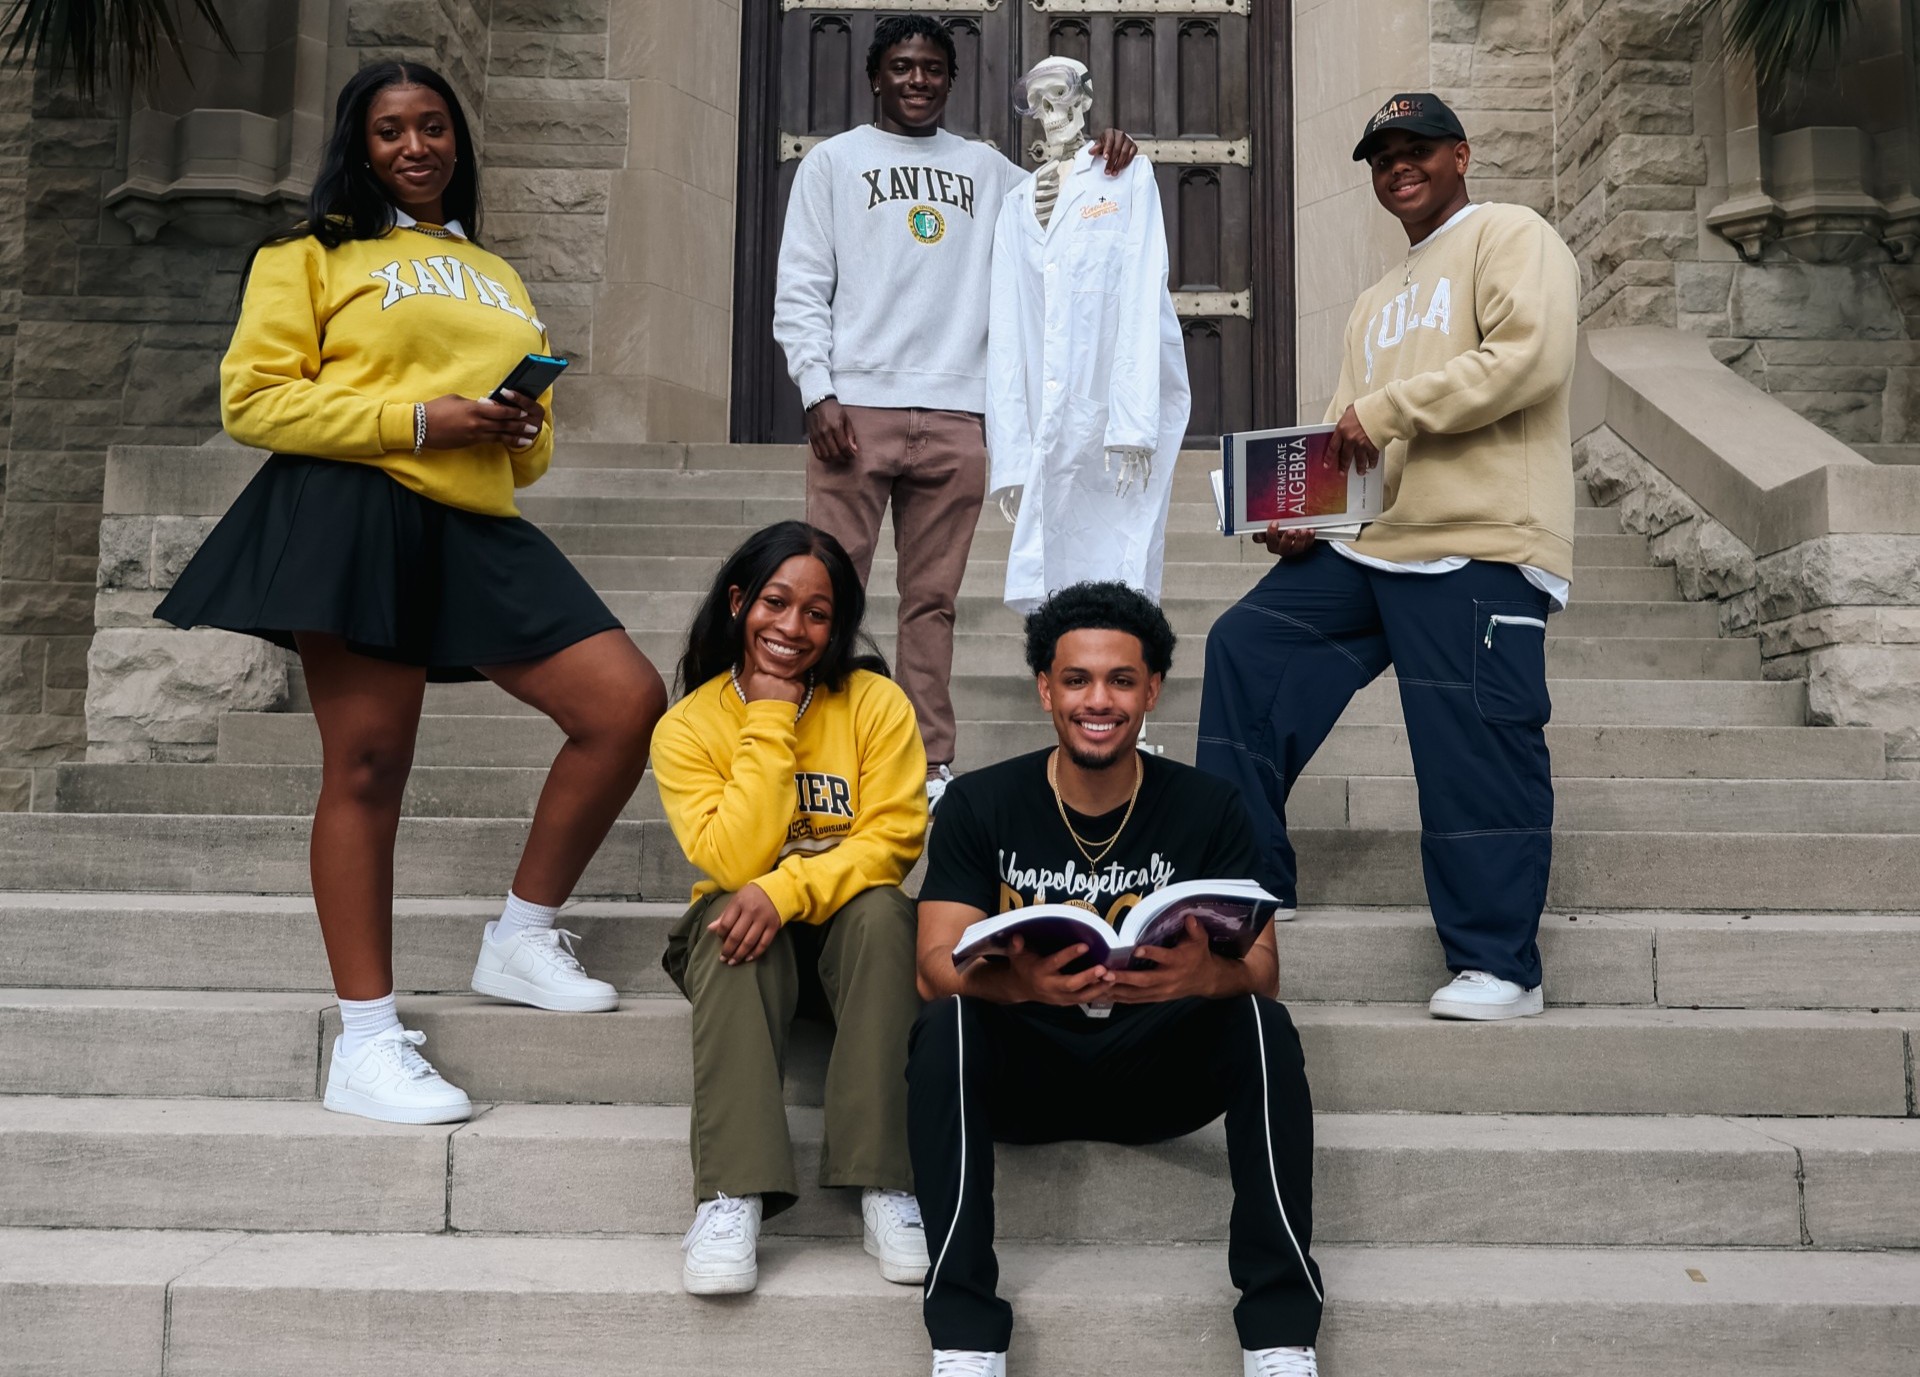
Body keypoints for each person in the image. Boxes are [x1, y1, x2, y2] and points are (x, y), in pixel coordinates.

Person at [155, 62, 667, 1124]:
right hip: (353, 506)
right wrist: (417, 421)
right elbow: (255, 402)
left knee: (623, 702)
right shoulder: (306, 255)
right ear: (360, 145)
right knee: (370, 765)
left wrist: (521, 428)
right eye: (390, 131)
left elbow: (528, 458)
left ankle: (521, 936)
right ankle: (369, 1039)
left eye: (433, 127)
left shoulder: (496, 271)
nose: (416, 146)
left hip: (474, 516)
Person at [1197, 92, 1580, 1022]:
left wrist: (1390, 410)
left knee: (1472, 746)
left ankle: (1501, 966)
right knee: (1248, 646)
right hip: (1376, 546)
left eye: (1416, 150)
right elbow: (1347, 438)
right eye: (1381, 157)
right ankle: (1246, 879)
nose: (1398, 167)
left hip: (1480, 541)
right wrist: (1303, 516)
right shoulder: (1373, 301)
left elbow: (1529, 357)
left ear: (1461, 154)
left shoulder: (1512, 233)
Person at [908, 581, 1323, 1377]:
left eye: (1121, 680)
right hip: (1025, 1067)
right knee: (948, 1024)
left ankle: (1279, 1332)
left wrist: (1206, 975)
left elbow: (1265, 971)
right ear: (1045, 688)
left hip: (1154, 1063)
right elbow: (933, 967)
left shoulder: (1211, 805)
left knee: (1263, 1027)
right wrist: (1017, 986)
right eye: (1076, 679)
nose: (1098, 700)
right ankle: (964, 1334)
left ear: (1152, 689)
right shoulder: (980, 804)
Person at [772, 15, 1138, 810]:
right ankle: (813, 750)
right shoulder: (832, 164)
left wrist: (1108, 153)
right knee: (826, 592)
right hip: (855, 409)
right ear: (875, 74)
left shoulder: (988, 169)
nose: (916, 80)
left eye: (933, 69)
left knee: (931, 603)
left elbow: (1066, 194)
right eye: (902, 66)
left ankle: (927, 763)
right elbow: (801, 287)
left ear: (950, 79)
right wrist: (817, 390)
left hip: (957, 416)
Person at [651, 521, 932, 1297]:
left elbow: (894, 840)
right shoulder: (689, 727)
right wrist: (770, 717)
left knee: (885, 911)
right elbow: (733, 861)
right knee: (731, 921)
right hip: (742, 953)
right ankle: (729, 1195)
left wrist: (786, 888)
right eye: (776, 602)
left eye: (818, 612)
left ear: (837, 624)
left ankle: (886, 1185)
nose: (793, 627)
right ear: (740, 602)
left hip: (852, 948)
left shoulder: (873, 702)